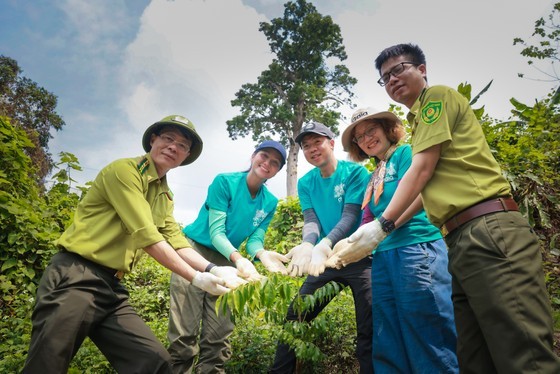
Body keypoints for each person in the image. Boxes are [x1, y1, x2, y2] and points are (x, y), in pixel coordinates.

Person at [330, 43, 560, 373]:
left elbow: (421, 174)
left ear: (421, 69)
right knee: (474, 355)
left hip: (484, 227)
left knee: (520, 350)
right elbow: (417, 191)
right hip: (458, 238)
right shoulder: (415, 129)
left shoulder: (435, 100)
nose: (393, 79)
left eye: (400, 69)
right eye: (385, 77)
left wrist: (383, 226)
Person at [23, 115, 246, 374]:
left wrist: (213, 270)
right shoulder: (125, 171)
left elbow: (176, 241)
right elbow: (147, 235)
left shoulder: (164, 194)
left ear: (186, 155)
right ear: (153, 140)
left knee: (154, 363)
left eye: (182, 145)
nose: (174, 147)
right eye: (168, 138)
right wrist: (195, 278)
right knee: (47, 364)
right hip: (76, 276)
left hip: (112, 288)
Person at [339, 107, 458, 373]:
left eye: (371, 130)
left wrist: (384, 227)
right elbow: (367, 220)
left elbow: (422, 193)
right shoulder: (374, 175)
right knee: (388, 334)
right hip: (382, 257)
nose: (367, 139)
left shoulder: (406, 154)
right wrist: (342, 247)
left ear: (386, 129)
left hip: (415, 248)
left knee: (426, 328)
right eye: (360, 137)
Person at [167, 140, 289, 374]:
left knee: (218, 335)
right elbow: (216, 233)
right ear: (254, 156)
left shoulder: (270, 202)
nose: (267, 163)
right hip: (193, 252)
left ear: (277, 171)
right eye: (264, 156)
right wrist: (239, 259)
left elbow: (254, 240)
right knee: (184, 333)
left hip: (228, 260)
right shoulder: (225, 182)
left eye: (275, 163)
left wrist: (261, 254)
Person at [270, 122, 373, 374]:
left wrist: (325, 243)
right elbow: (311, 220)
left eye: (317, 142)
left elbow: (350, 216)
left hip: (358, 255)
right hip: (326, 261)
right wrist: (308, 244)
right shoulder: (306, 183)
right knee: (296, 317)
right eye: (306, 146)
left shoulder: (355, 173)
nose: (312, 149)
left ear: (331, 143)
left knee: (369, 325)